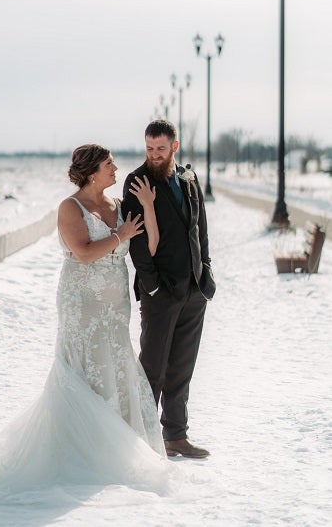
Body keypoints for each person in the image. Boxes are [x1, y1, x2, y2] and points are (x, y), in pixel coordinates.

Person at [0, 144, 175, 502]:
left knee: (115, 362)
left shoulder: (118, 206)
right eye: (109, 163)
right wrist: (120, 236)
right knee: (87, 365)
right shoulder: (71, 208)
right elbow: (83, 253)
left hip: (114, 303)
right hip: (81, 301)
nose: (116, 168)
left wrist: (143, 212)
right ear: (91, 171)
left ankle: (123, 444)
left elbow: (146, 246)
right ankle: (84, 447)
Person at [122, 120, 215, 459]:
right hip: (160, 292)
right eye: (149, 148)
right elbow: (136, 242)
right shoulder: (137, 181)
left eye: (160, 149)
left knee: (182, 366)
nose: (154, 155)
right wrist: (153, 286)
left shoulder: (189, 179)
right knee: (153, 367)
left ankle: (176, 435)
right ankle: (141, 441)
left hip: (194, 289)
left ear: (174, 147)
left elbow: (200, 228)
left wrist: (206, 273)